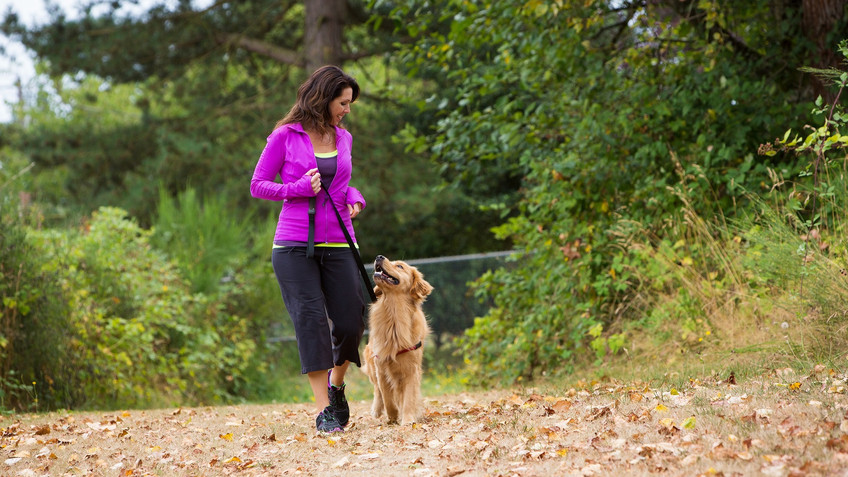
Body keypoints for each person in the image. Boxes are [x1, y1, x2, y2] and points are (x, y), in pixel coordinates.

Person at [250, 65, 366, 433]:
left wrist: (356, 198)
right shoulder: (284, 136)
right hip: (293, 244)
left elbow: (342, 184)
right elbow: (258, 184)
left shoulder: (343, 138)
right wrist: (294, 188)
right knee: (311, 322)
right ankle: (324, 412)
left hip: (339, 240)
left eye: (349, 103)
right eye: (343, 102)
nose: (347, 109)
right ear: (324, 98)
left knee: (351, 320)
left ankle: (336, 386)